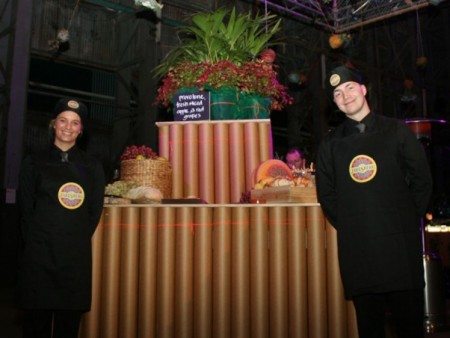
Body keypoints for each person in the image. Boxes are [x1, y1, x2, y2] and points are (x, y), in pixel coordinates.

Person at [315, 66, 432, 338]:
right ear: (335, 102)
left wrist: (406, 218)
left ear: (364, 89)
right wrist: (352, 225)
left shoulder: (396, 131)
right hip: (360, 252)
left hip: (400, 249)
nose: (345, 96)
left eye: (350, 88)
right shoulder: (330, 145)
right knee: (369, 328)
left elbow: (422, 180)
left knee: (409, 327)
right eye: (338, 93)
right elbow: (327, 196)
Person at [17, 98, 105, 338]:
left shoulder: (93, 166)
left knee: (68, 328)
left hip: (74, 261)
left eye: (75, 123)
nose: (68, 126)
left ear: (81, 129)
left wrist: (72, 238)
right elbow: (25, 211)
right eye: (63, 120)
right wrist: (37, 243)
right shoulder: (33, 162)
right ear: (53, 124)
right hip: (39, 259)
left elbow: (94, 211)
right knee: (36, 327)